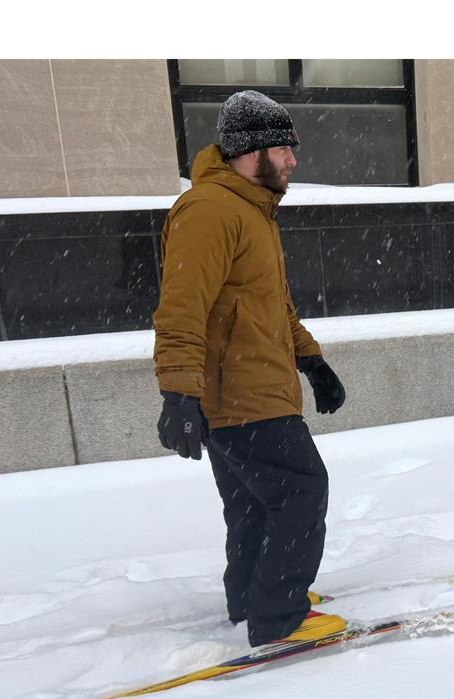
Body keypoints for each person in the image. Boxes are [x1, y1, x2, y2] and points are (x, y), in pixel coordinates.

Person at [152, 90, 347, 647]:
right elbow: (181, 308)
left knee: (255, 505)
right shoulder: (212, 210)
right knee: (303, 491)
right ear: (251, 150)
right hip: (242, 394)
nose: (293, 160)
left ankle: (251, 599)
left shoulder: (252, 209)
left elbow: (270, 305)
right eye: (285, 148)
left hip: (251, 389)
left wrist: (312, 360)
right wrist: (178, 394)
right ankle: (280, 617)